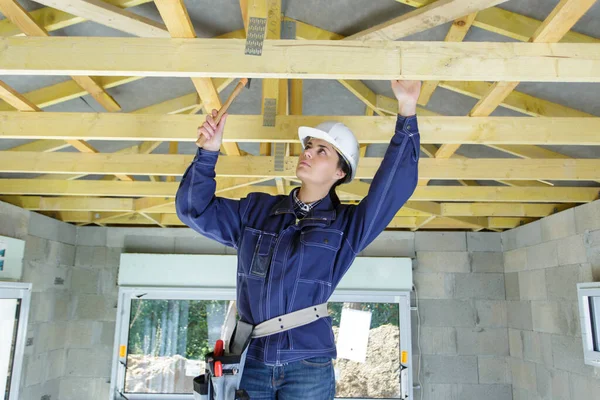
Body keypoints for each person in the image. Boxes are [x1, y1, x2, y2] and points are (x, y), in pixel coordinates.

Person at [176, 80, 422, 400]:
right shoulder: (256, 211)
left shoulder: (347, 227)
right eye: (309, 146)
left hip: (308, 363)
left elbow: (394, 186)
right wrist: (208, 152)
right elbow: (194, 209)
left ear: (339, 172)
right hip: (251, 359)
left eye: (322, 151)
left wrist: (407, 110)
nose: (308, 152)